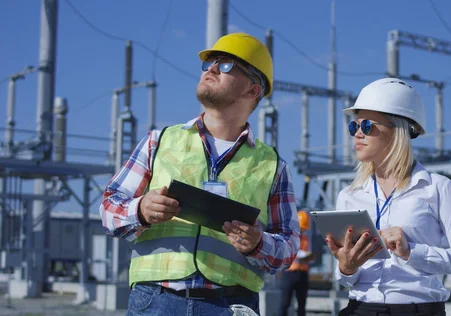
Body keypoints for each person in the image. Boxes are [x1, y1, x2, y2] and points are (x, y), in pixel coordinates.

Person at [99, 32, 301, 316]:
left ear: (254, 90)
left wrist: (259, 243)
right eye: (209, 63)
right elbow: (108, 210)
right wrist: (141, 209)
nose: (212, 68)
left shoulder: (272, 165)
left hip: (230, 305)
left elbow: (289, 247)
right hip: (155, 301)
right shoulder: (159, 142)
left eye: (227, 64)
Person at [324, 78, 451, 316]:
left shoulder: (437, 188)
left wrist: (411, 252)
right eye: (353, 126)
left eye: (366, 126)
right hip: (360, 309)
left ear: (398, 129)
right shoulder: (349, 196)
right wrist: (346, 268)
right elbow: (347, 280)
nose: (357, 134)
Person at [279, 210, 315, 316]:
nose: (302, 231)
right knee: (285, 304)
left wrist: (308, 257)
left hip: (302, 274)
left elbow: (309, 255)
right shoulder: (289, 237)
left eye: (303, 229)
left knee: (302, 306)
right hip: (289, 273)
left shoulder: (306, 239)